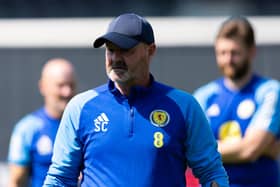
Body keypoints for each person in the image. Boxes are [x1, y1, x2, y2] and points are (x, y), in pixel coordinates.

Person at [43, 13, 229, 187]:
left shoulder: (184, 107)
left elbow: (211, 172)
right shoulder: (81, 107)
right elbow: (60, 177)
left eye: (125, 50)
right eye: (110, 50)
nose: (116, 58)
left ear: (150, 50)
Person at [193, 16, 280, 187]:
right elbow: (191, 149)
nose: (228, 59)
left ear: (252, 51)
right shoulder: (204, 96)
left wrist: (207, 149)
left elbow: (250, 150)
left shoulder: (269, 91)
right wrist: (254, 147)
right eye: (222, 53)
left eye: (235, 53)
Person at [7, 58, 77, 187]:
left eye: (71, 85)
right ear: (43, 87)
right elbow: (16, 181)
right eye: (61, 85)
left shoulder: (83, 125)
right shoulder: (28, 128)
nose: (67, 92)